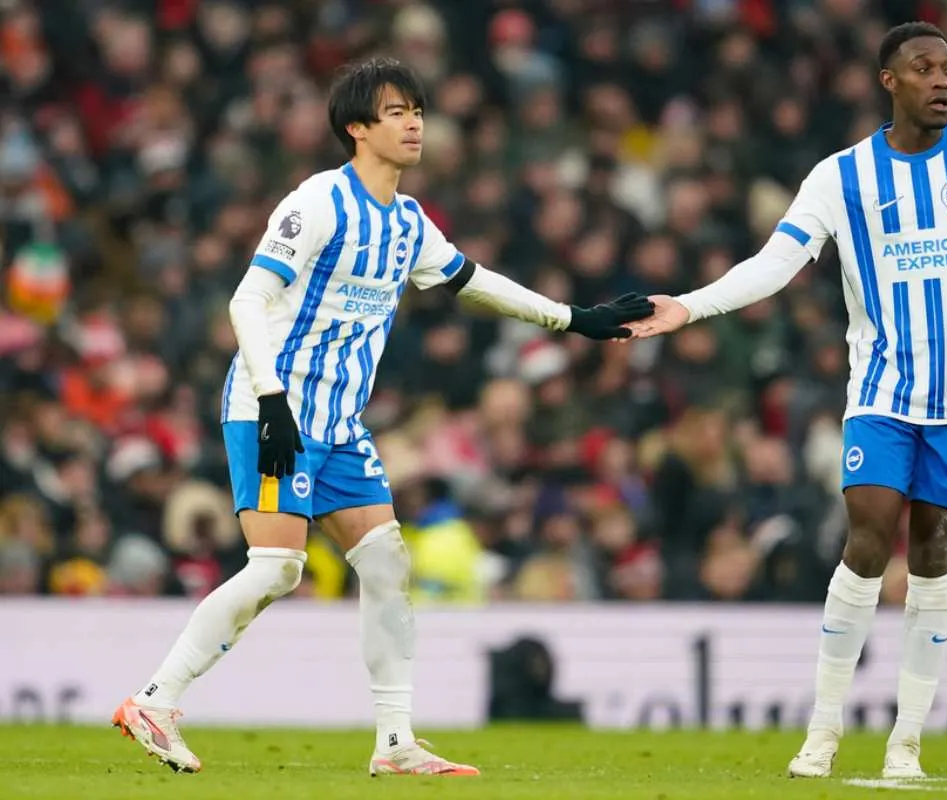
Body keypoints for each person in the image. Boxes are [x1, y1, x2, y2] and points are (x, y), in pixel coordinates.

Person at [110, 57, 652, 777]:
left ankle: (395, 742)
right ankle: (155, 699)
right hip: (276, 409)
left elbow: (474, 280)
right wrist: (272, 401)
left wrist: (574, 319)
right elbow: (246, 301)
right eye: (396, 111)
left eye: (418, 108)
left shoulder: (407, 223)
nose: (415, 121)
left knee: (388, 561)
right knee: (277, 569)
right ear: (357, 128)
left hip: (339, 424)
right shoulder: (318, 202)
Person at [625, 22, 947, 779]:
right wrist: (690, 307)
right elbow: (776, 263)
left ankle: (906, 745)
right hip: (883, 388)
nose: (942, 80)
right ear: (886, 80)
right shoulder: (841, 177)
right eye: (923, 67)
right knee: (867, 536)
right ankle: (823, 731)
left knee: (935, 555)